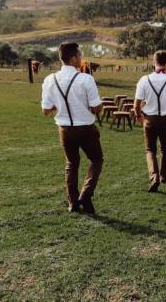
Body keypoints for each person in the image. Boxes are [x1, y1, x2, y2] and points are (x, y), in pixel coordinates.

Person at [41, 42, 104, 214]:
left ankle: (73, 203)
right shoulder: (86, 79)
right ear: (73, 58)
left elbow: (46, 110)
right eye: (80, 55)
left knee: (71, 164)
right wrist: (95, 106)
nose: (81, 58)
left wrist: (61, 105)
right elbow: (96, 107)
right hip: (85, 128)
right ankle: (86, 194)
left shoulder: (49, 79)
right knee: (96, 160)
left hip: (65, 129)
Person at [134, 50, 166, 192]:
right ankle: (164, 176)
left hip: (149, 119)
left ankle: (154, 176)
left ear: (153, 62)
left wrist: (139, 116)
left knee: (150, 150)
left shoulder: (144, 80)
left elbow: (136, 104)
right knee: (165, 149)